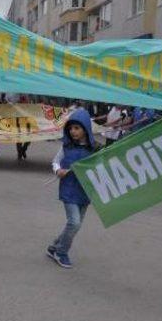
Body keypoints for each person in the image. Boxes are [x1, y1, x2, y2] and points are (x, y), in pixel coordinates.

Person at [47, 108, 97, 269]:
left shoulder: (93, 149)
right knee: (74, 223)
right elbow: (55, 161)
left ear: (86, 129)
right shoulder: (66, 147)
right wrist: (57, 170)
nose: (73, 131)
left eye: (77, 128)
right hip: (68, 189)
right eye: (71, 128)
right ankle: (61, 252)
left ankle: (55, 246)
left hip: (85, 192)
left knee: (75, 225)